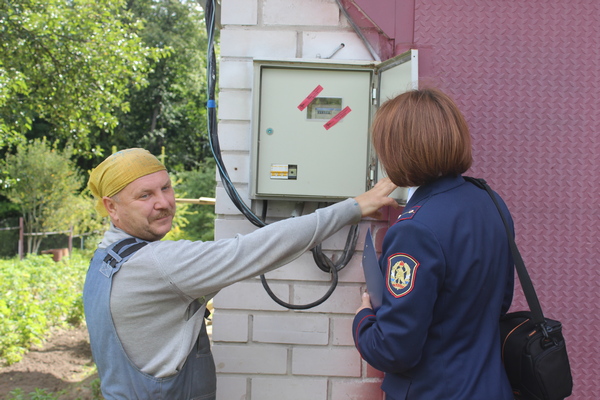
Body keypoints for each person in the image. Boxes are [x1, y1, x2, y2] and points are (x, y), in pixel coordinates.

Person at [83, 147, 398, 400]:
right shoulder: (157, 265)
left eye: (165, 187)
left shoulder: (106, 259)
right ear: (111, 207)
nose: (164, 203)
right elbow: (256, 249)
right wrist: (354, 207)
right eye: (145, 196)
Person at [353, 88, 515, 399]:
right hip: (491, 387)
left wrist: (363, 317)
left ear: (398, 151)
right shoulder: (490, 202)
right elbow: (498, 303)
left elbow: (393, 350)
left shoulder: (414, 229)